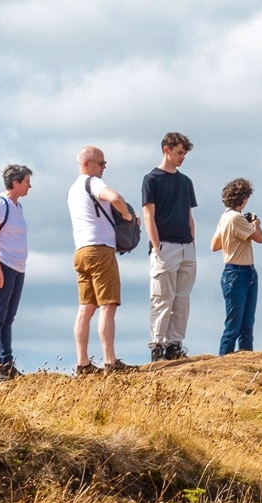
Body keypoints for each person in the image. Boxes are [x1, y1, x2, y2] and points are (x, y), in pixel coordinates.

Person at [68, 146, 135, 376]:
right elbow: (114, 197)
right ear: (88, 164)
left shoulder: (72, 189)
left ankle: (83, 362)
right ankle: (110, 360)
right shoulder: (93, 183)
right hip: (100, 250)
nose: (104, 167)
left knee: (86, 308)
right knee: (108, 306)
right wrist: (126, 216)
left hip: (81, 250)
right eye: (101, 163)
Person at [141, 132, 198, 363]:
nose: (182, 157)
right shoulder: (152, 179)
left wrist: (192, 240)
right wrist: (157, 246)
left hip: (186, 246)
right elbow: (148, 215)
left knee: (182, 299)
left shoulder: (186, 181)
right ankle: (158, 344)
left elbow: (189, 214)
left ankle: (175, 344)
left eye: (184, 153)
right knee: (162, 297)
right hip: (165, 246)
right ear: (167, 149)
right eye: (179, 152)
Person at [0, 164, 32, 378]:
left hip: (17, 267)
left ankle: (7, 363)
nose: (30, 186)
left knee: (8, 317)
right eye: (27, 181)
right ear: (16, 182)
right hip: (2, 265)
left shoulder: (17, 206)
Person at [211, 180, 262, 356]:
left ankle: (233, 359)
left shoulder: (225, 217)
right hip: (240, 271)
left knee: (236, 323)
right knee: (240, 325)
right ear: (244, 198)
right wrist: (255, 224)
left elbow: (215, 245)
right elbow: (260, 238)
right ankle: (230, 359)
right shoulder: (237, 218)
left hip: (233, 270)